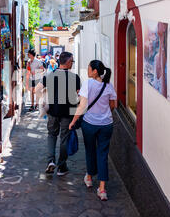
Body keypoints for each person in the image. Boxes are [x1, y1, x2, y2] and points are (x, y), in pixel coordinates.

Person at [69, 60, 117, 201]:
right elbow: (113, 105)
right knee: (103, 154)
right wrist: (104, 113)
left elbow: (82, 106)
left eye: (89, 68)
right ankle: (102, 189)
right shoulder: (108, 86)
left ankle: (89, 177)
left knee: (90, 150)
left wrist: (73, 121)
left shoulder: (88, 84)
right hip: (106, 124)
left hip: (90, 124)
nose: (88, 71)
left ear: (95, 71)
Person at [36, 51, 81, 176]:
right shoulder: (74, 77)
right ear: (67, 62)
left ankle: (50, 161)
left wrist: (43, 100)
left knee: (52, 135)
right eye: (72, 61)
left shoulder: (49, 75)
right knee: (64, 138)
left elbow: (37, 89)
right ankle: (61, 167)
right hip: (68, 112)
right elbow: (78, 96)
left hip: (52, 111)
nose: (72, 63)